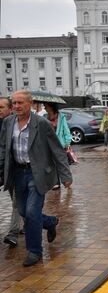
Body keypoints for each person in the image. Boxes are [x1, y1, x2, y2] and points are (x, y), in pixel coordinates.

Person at [0, 90, 73, 266]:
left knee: (32, 212)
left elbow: (57, 149)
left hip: (37, 173)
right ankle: (50, 221)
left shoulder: (41, 123)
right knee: (24, 211)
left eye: (20, 103)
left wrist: (65, 175)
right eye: (14, 103)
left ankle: (34, 251)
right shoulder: (8, 123)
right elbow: (3, 148)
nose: (17, 106)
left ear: (30, 104)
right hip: (18, 173)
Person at [0, 97, 22, 247]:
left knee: (16, 201)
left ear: (10, 109)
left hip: (17, 169)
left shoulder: (16, 124)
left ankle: (13, 233)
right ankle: (29, 223)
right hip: (3, 169)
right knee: (20, 202)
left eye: (1, 107)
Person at [43, 102, 72, 190]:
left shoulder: (61, 116)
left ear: (51, 107)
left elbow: (66, 130)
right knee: (51, 164)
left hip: (59, 143)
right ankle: (55, 182)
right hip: (48, 144)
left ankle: (67, 180)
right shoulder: (44, 116)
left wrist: (68, 142)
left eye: (46, 106)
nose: (45, 107)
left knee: (62, 162)